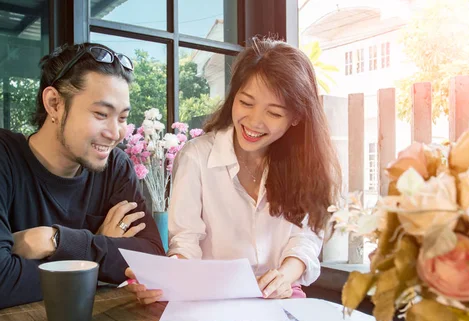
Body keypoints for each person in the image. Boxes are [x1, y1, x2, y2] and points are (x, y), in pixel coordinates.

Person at [0, 43, 165, 312]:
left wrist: (54, 240)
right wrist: (96, 251)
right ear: (54, 104)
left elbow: (155, 262)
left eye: (122, 117)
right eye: (101, 114)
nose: (116, 132)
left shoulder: (115, 167)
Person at [126, 37, 341, 304]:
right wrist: (165, 280)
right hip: (210, 300)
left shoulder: (305, 164)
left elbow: (306, 238)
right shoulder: (196, 157)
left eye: (273, 113)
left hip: (279, 300)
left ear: (296, 117)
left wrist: (285, 275)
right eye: (246, 103)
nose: (253, 122)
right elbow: (186, 240)